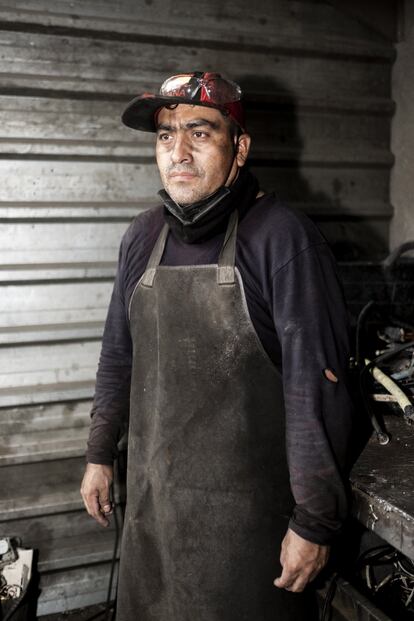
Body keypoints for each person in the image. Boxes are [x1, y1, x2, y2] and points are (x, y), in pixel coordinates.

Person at [81, 71, 355, 620]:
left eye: (199, 132)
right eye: (165, 136)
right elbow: (118, 355)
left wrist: (314, 521)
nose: (177, 151)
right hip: (154, 518)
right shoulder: (141, 237)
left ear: (240, 147)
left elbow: (314, 392)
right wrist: (99, 453)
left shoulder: (281, 238)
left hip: (250, 535)